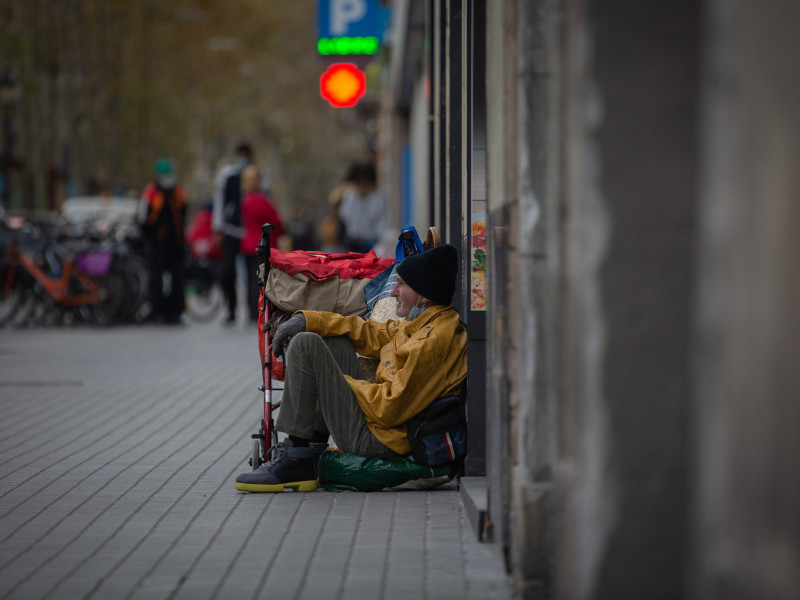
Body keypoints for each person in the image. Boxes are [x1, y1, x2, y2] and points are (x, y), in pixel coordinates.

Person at [235, 244, 466, 492]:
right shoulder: (427, 321)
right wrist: (309, 319)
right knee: (331, 339)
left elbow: (390, 408)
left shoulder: (433, 342)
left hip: (382, 439)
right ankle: (312, 446)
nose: (394, 292)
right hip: (382, 424)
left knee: (305, 344)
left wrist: (335, 383)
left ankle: (296, 457)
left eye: (401, 285)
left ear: (424, 294)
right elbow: (370, 332)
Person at [138, 157, 186, 324]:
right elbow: (142, 219)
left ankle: (175, 312)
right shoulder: (150, 193)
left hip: (177, 245)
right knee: (156, 279)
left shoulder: (178, 192)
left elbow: (183, 214)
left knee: (177, 280)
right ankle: (158, 310)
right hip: (157, 245)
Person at [212, 142, 253, 324]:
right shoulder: (227, 174)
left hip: (250, 232)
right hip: (230, 230)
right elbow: (219, 201)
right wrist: (217, 227)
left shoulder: (257, 174)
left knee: (254, 273)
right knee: (227, 271)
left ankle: (253, 312)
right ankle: (231, 309)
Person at [240, 165, 284, 322]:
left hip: (247, 244)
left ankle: (251, 311)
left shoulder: (244, 200)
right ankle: (260, 312)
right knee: (262, 281)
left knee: (250, 279)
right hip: (263, 245)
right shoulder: (263, 201)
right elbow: (277, 221)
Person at [336, 162, 387, 253]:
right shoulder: (349, 196)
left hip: (373, 243)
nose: (361, 186)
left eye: (364, 182)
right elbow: (344, 216)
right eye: (357, 182)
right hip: (352, 243)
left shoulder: (379, 197)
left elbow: (382, 223)